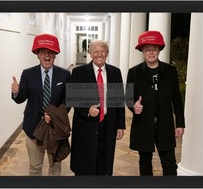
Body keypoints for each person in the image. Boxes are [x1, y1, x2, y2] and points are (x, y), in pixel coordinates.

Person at [126, 31, 185, 176]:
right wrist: (134, 106)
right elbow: (128, 97)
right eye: (147, 49)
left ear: (159, 50)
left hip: (165, 124)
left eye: (154, 49)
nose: (151, 52)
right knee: (145, 162)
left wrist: (180, 123)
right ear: (142, 51)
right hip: (143, 124)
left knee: (169, 163)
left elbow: (176, 98)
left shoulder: (170, 71)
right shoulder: (134, 72)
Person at [11, 34, 70, 176]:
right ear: (37, 54)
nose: (47, 55)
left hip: (56, 129)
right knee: (35, 168)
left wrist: (54, 115)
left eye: (51, 52)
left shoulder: (65, 74)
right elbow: (20, 99)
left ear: (55, 54)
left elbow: (69, 100)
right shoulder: (28, 74)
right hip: (33, 128)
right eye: (43, 52)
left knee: (55, 169)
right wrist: (15, 92)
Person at [69, 39, 125, 175]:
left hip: (108, 124)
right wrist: (87, 109)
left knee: (103, 162)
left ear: (107, 53)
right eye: (96, 52)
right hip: (85, 124)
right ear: (90, 53)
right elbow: (72, 98)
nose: (99, 55)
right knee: (84, 164)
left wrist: (120, 125)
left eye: (102, 51)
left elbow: (119, 100)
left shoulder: (115, 72)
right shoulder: (78, 72)